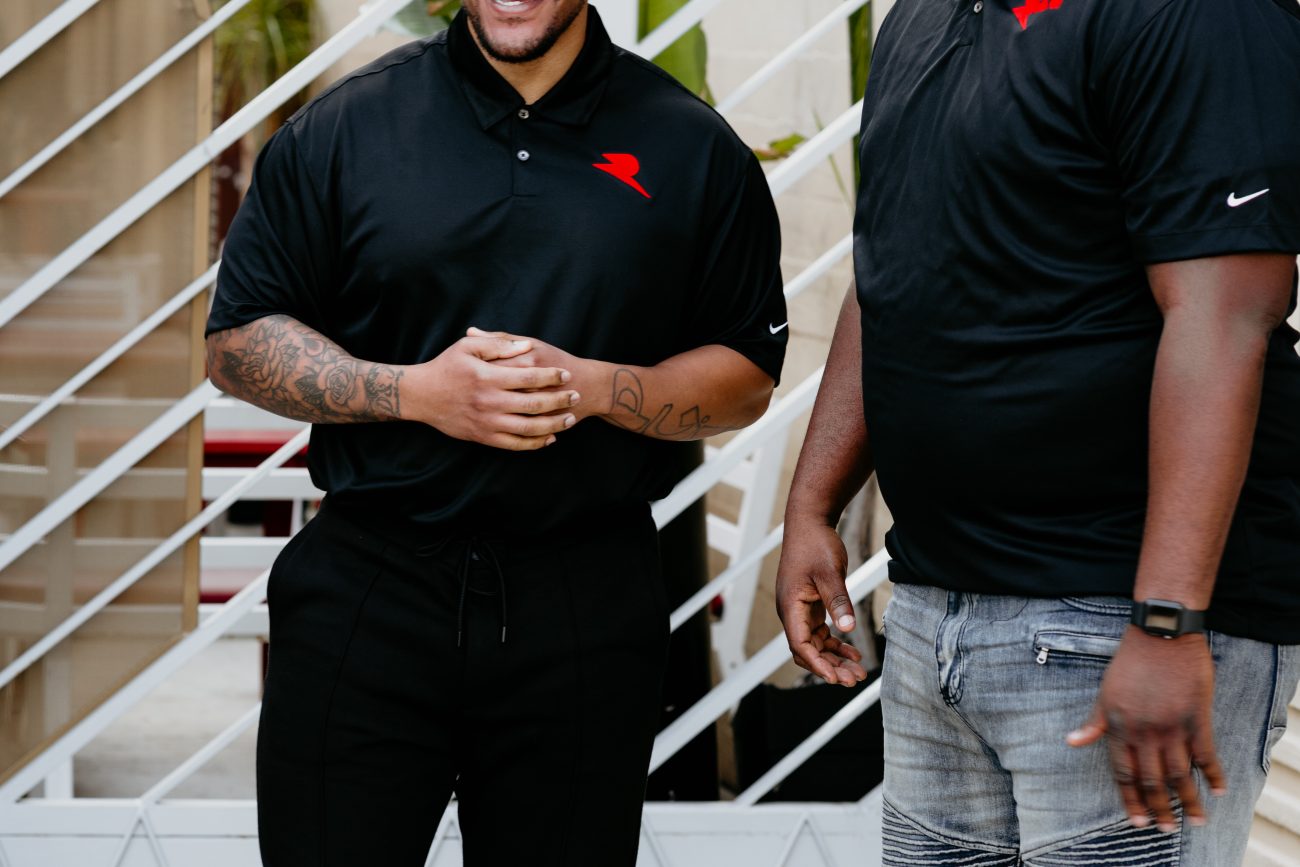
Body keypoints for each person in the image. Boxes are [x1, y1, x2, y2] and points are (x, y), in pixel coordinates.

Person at [205, 1, 787, 864]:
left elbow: (747, 375)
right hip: (371, 590)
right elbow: (236, 341)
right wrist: (415, 393)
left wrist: (593, 388)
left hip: (584, 600)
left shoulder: (691, 145)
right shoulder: (344, 129)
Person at [776, 0, 1300, 863]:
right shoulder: (923, 14)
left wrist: (1166, 621)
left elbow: (1226, 315)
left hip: (1115, 612)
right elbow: (891, 269)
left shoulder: (1200, 14)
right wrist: (811, 504)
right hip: (937, 606)